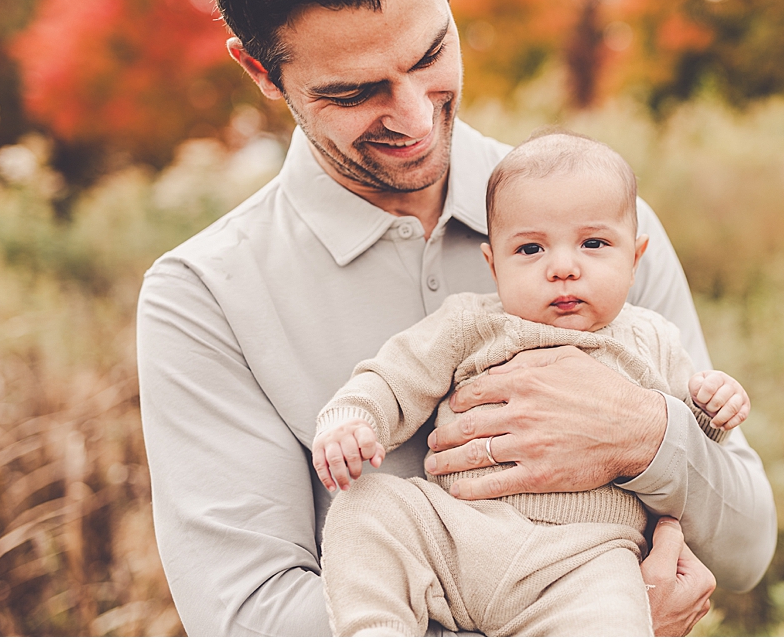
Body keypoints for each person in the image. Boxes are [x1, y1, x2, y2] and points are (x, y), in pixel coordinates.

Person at [137, 0, 777, 637]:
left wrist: (645, 435)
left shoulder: (604, 229)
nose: (413, 117)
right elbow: (249, 617)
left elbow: (746, 549)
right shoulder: (201, 297)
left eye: (431, 53)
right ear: (260, 70)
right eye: (354, 92)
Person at [313, 133, 752, 638]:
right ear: (493, 265)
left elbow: (687, 446)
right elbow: (394, 378)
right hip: (459, 534)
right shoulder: (470, 324)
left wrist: (712, 407)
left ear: (635, 258)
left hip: (585, 561)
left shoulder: (652, 338)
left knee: (618, 611)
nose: (563, 267)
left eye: (593, 243)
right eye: (530, 248)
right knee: (367, 507)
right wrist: (353, 418)